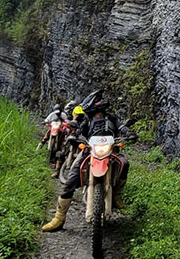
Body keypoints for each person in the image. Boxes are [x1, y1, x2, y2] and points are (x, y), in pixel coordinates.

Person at [41, 90, 134, 232]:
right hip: (89, 152)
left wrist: (128, 133)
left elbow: (121, 128)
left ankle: (116, 194)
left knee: (124, 164)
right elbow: (79, 131)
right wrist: (74, 137)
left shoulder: (112, 118)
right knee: (71, 177)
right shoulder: (88, 120)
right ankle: (59, 218)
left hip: (111, 151)